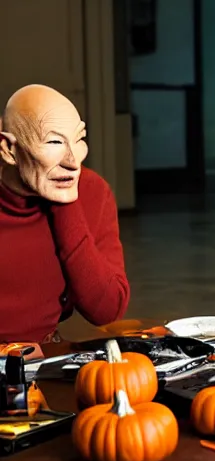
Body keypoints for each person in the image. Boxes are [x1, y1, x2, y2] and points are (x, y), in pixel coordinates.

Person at [0, 84, 130, 342]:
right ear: (8, 149)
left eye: (79, 139)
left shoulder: (92, 191)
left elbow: (107, 310)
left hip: (42, 358)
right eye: (55, 141)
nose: (73, 161)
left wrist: (66, 202)